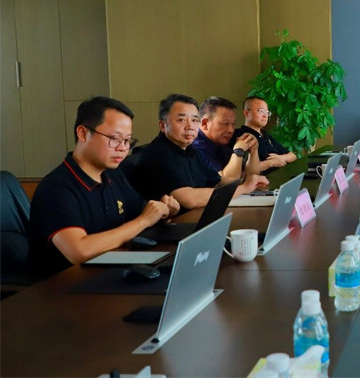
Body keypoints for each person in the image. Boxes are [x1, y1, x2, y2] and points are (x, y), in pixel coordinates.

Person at [28, 97, 179, 277]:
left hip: (109, 271)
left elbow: (141, 212)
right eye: (114, 139)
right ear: (83, 133)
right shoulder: (56, 189)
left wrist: (162, 211)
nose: (123, 148)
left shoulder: (112, 175)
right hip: (66, 285)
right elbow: (79, 251)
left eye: (127, 140)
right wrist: (144, 220)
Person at [131, 94, 268, 210]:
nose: (190, 126)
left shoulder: (190, 150)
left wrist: (248, 181)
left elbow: (218, 182)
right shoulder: (158, 154)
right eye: (181, 120)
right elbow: (190, 199)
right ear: (162, 125)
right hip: (171, 226)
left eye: (194, 120)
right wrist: (244, 188)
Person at [193, 96, 261, 178]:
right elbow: (223, 181)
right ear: (205, 124)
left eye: (233, 124)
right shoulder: (194, 147)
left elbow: (251, 176)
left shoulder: (220, 142)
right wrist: (238, 150)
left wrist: (253, 151)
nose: (231, 130)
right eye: (225, 124)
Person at [235, 96, 297, 175]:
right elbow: (240, 173)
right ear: (246, 113)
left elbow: (293, 156)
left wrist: (281, 158)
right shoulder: (240, 136)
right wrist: (270, 163)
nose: (265, 115)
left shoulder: (266, 136)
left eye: (267, 112)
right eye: (261, 111)